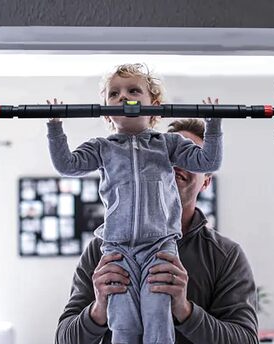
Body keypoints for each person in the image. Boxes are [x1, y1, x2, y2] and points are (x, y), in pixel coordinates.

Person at [47, 63, 223, 344]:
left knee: (157, 315)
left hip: (159, 247)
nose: (123, 97)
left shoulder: (168, 144)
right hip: (118, 249)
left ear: (154, 106)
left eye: (133, 90)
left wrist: (214, 125)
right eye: (114, 94)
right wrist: (55, 127)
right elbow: (67, 165)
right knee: (123, 321)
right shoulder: (101, 148)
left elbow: (208, 161)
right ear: (106, 110)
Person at [53, 117, 258, 344]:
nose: (177, 163)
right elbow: (64, 339)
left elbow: (246, 340)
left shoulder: (225, 256)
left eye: (189, 156)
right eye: (168, 156)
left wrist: (185, 310)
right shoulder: (102, 248)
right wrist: (99, 309)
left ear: (206, 179)